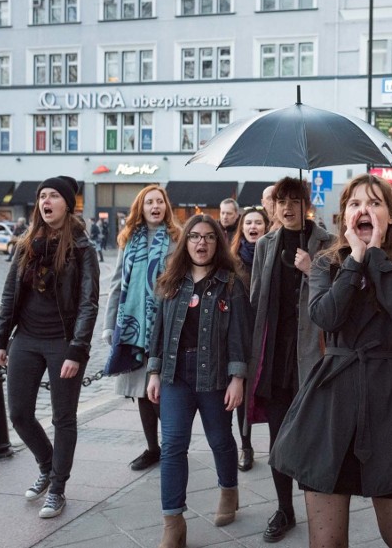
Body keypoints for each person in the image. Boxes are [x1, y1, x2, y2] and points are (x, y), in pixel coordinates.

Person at [269, 173, 392, 547]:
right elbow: (326, 317)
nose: (363, 209)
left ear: (390, 214)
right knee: (327, 543)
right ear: (343, 216)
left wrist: (378, 258)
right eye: (355, 203)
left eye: (374, 202)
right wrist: (354, 261)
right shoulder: (325, 263)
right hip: (331, 408)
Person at [0, 176, 100, 519]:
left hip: (63, 341)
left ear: (67, 204)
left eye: (53, 196)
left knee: (63, 417)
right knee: (19, 413)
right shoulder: (27, 244)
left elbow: (88, 303)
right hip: (26, 338)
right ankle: (47, 464)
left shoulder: (82, 248)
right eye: (42, 196)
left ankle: (57, 487)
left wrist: (77, 350)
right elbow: (10, 295)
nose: (46, 201)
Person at [146, 214, 251, 547]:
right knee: (173, 446)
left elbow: (239, 335)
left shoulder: (230, 283)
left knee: (220, 439)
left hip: (215, 375)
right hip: (176, 375)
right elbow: (158, 331)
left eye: (208, 237)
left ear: (217, 242)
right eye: (194, 236)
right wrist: (154, 372)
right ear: (185, 242)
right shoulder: (172, 281)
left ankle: (228, 490)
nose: (201, 243)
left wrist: (237, 378)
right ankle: (173, 521)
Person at [246, 178, 334, 543]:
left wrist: (312, 269)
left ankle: (322, 513)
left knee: (312, 439)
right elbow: (255, 300)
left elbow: (338, 301)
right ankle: (285, 509)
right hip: (275, 358)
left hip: (312, 356)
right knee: (278, 439)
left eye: (295, 200)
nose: (287, 207)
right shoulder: (266, 244)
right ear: (273, 205)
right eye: (281, 200)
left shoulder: (327, 243)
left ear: (306, 204)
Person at [104, 185, 182, 471]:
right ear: (141, 207)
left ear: (166, 206)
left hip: (166, 325)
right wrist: (109, 326)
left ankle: (175, 445)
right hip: (133, 327)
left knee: (164, 392)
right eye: (149, 202)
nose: (155, 206)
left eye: (159, 201)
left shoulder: (177, 239)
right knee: (140, 392)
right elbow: (116, 284)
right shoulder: (128, 240)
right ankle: (153, 448)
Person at [229, 206, 268, 472]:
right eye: (248, 223)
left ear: (266, 227)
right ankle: (245, 445)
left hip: (267, 333)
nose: (253, 227)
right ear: (242, 229)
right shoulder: (232, 261)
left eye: (258, 223)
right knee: (240, 390)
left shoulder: (274, 255)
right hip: (240, 334)